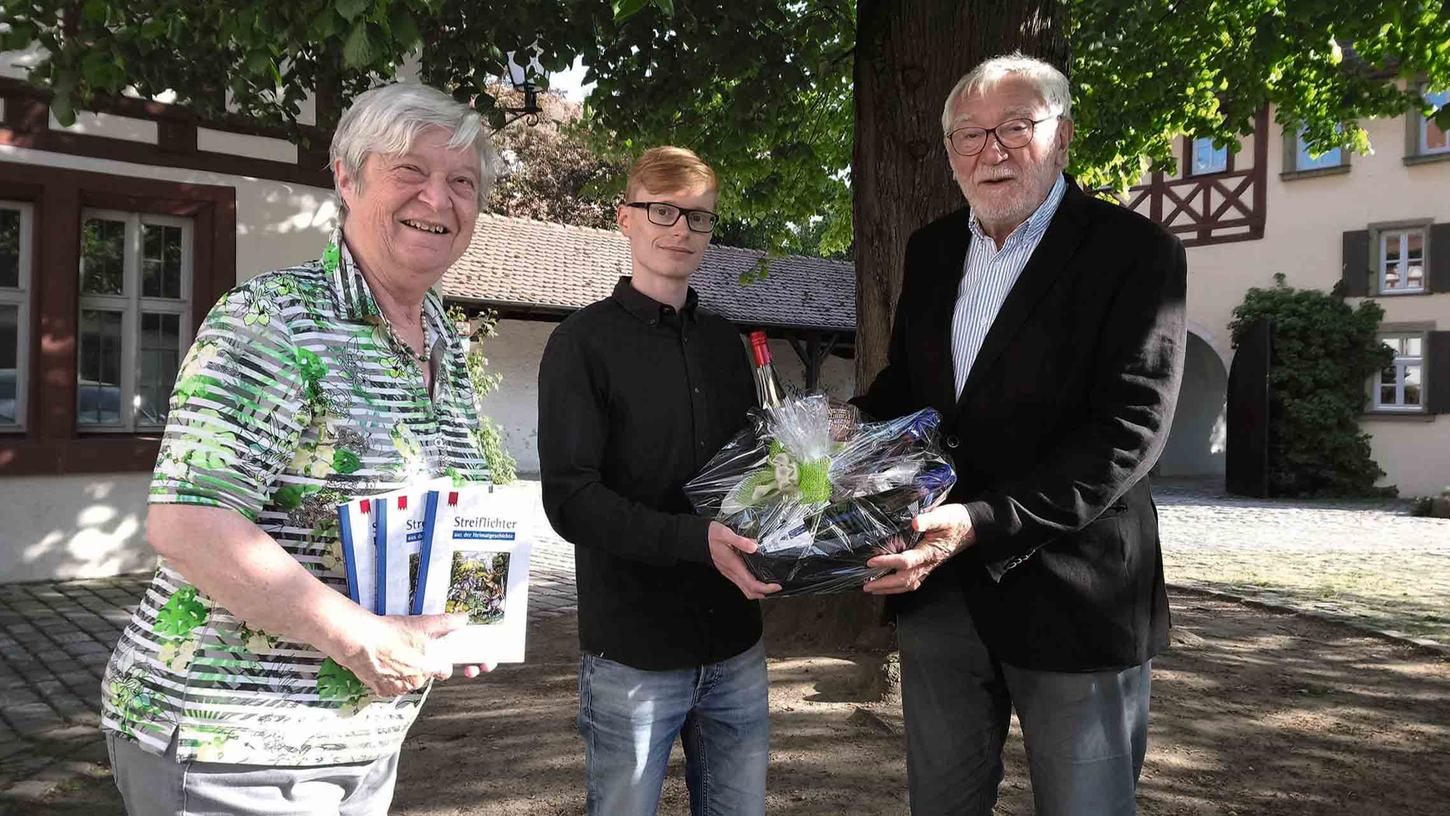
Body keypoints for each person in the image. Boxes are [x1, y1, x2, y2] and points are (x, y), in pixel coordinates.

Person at [100, 82, 501, 815]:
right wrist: (360, 639)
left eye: (463, 182)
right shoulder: (272, 317)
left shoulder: (439, 333)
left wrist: (466, 617)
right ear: (346, 179)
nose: (438, 199)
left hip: (361, 736)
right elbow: (188, 524)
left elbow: (439, 505)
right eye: (410, 171)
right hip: (234, 741)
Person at [853, 53, 1187, 815]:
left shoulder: (1135, 255)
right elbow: (911, 395)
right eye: (968, 135)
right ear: (948, 154)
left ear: (1062, 136)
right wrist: (846, 429)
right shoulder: (932, 250)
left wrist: (980, 521)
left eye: (1015, 128)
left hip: (1077, 592)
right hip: (940, 593)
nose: (990, 151)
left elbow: (1129, 432)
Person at [538, 146, 779, 816]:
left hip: (734, 642)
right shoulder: (581, 344)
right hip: (633, 653)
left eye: (699, 218)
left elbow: (752, 476)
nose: (681, 230)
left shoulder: (726, 345)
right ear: (626, 218)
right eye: (663, 211)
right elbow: (570, 500)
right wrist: (696, 541)